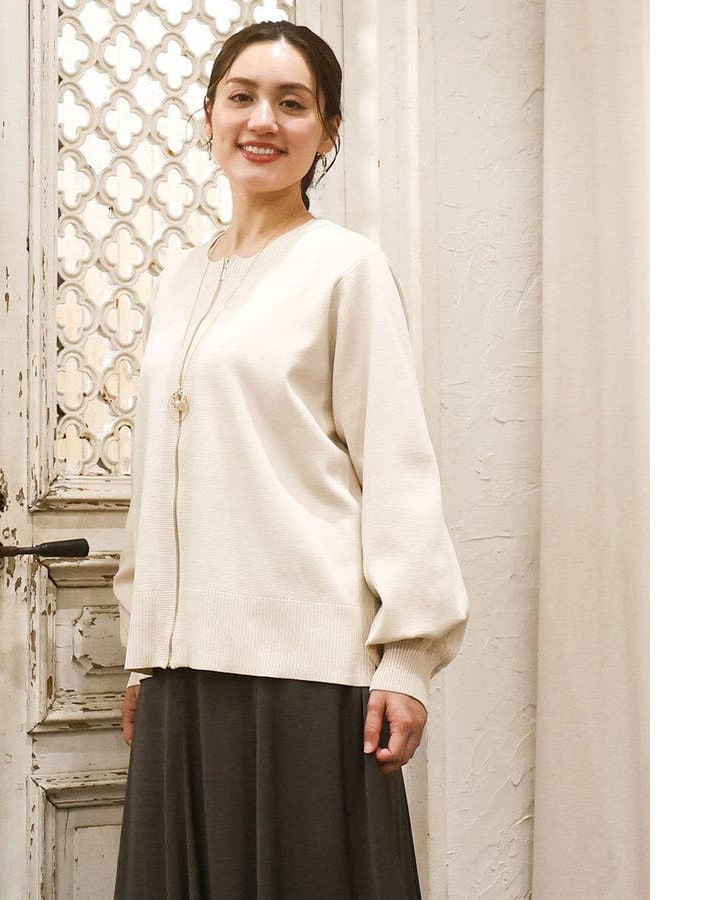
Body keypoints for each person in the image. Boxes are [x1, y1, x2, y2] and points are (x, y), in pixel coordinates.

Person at [112, 20, 469, 900]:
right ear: (209, 116)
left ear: (328, 131)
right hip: (182, 673)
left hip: (306, 676)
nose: (262, 119)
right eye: (241, 97)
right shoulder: (177, 281)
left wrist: (407, 662)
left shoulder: (347, 269)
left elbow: (397, 468)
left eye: (293, 102)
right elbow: (158, 475)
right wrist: (144, 651)